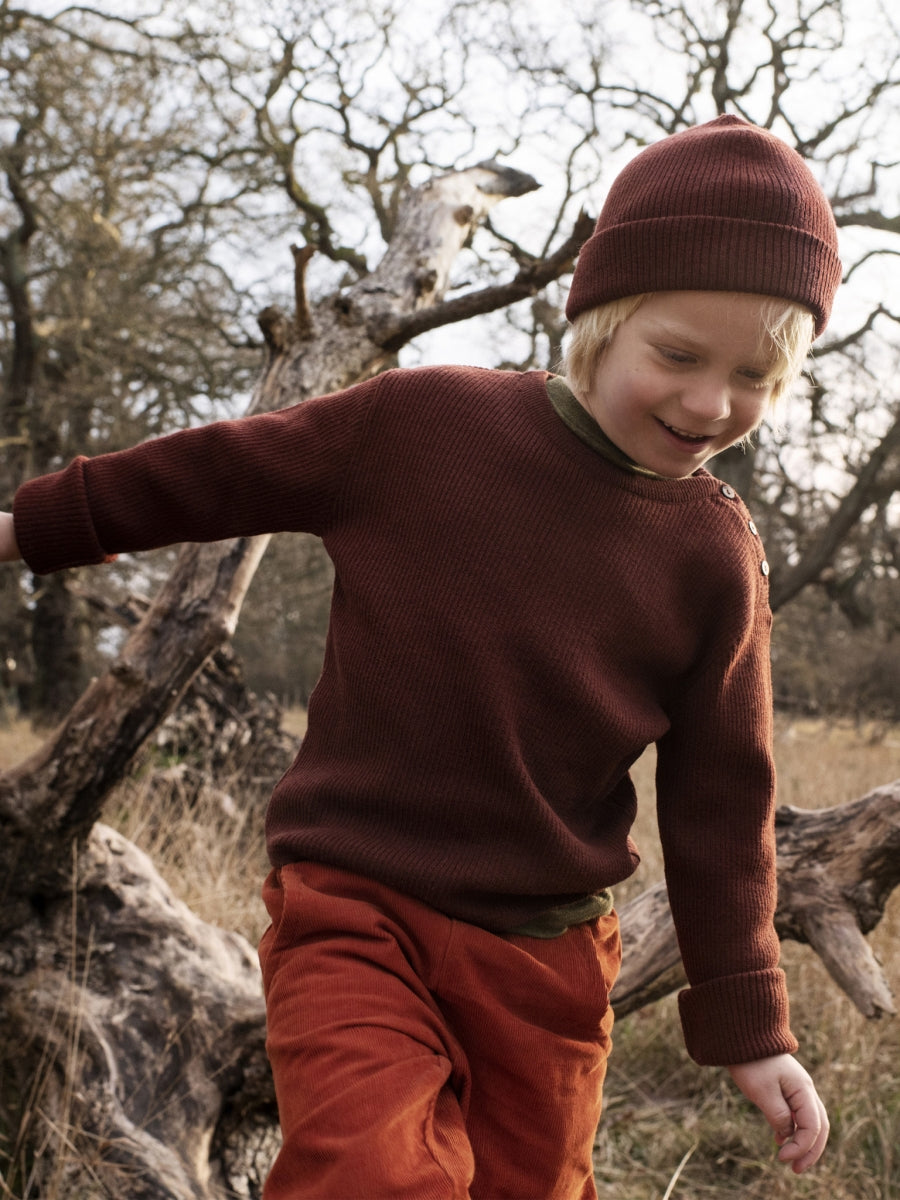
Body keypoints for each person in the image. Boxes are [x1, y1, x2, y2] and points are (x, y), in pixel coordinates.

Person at [0, 114, 841, 1199]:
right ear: (599, 318)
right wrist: (33, 525)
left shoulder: (716, 558)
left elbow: (723, 803)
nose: (710, 402)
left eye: (754, 376)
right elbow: (216, 470)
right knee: (369, 1176)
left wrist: (749, 1025)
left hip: (546, 962)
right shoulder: (423, 425)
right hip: (356, 910)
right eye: (678, 355)